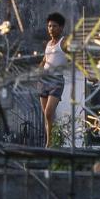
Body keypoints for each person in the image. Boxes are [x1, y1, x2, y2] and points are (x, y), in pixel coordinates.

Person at [39, 12, 68, 147]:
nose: (51, 29)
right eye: (49, 26)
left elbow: (78, 57)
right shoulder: (49, 43)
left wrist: (89, 74)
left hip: (56, 81)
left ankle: (49, 143)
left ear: (61, 28)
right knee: (47, 116)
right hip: (44, 80)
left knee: (49, 113)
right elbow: (45, 60)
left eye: (54, 26)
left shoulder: (64, 42)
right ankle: (54, 140)